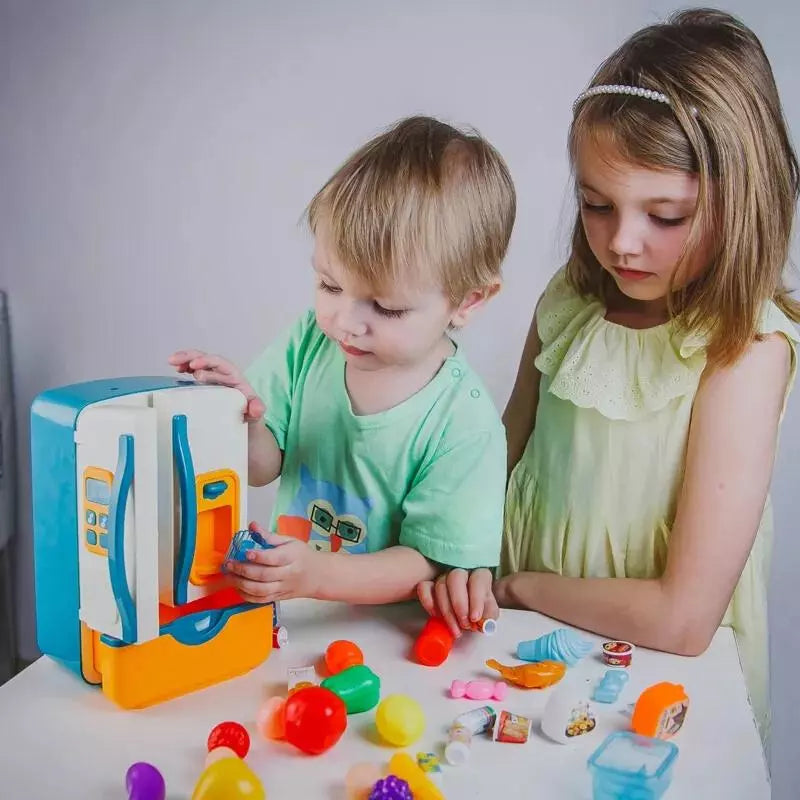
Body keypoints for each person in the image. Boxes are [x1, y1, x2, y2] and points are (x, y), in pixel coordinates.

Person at [417, 9, 798, 747]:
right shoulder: (570, 300)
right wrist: (454, 560)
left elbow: (683, 619)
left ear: (740, 199)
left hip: (649, 689)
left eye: (665, 214)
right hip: (522, 654)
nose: (622, 242)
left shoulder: (744, 352)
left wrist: (518, 587)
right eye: (597, 204)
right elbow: (494, 468)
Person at [170, 115, 515, 610]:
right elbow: (262, 467)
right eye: (330, 286)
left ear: (468, 300)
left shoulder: (464, 422)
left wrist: (317, 574)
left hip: (385, 643)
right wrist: (240, 417)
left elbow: (427, 563)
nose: (345, 322)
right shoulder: (311, 341)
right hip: (291, 618)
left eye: (387, 307)